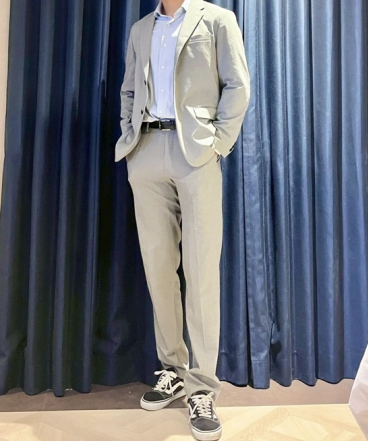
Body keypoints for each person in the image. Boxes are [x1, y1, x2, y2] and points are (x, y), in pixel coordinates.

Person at [115, 0, 250, 439]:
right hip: (146, 152)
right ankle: (172, 369)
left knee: (201, 270)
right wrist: (130, 138)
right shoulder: (141, 29)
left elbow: (238, 84)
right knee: (158, 268)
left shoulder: (217, 20)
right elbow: (130, 90)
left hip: (196, 155)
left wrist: (219, 143)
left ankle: (202, 387)